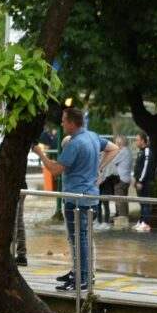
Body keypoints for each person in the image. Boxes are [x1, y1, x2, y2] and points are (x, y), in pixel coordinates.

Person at [32, 108, 119, 290]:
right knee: (81, 239)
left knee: (79, 239)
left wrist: (40, 153)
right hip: (91, 197)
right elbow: (114, 148)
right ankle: (79, 274)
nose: (62, 124)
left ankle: (82, 279)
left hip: (76, 199)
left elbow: (55, 170)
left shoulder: (75, 144)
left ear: (72, 122)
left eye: (64, 121)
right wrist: (100, 168)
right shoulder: (92, 136)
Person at [132, 132, 155, 232]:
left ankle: (146, 223)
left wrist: (140, 180)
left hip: (145, 182)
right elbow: (138, 167)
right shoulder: (140, 151)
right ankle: (141, 221)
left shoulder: (146, 151)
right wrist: (134, 178)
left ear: (142, 141)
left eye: (137, 140)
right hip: (139, 182)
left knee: (145, 203)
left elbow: (145, 167)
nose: (136, 142)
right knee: (141, 203)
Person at [113, 135, 132, 221]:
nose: (115, 144)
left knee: (120, 200)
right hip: (126, 179)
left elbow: (112, 161)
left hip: (121, 179)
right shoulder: (127, 151)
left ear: (120, 144)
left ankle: (122, 219)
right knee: (124, 200)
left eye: (116, 143)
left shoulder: (123, 152)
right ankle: (124, 217)